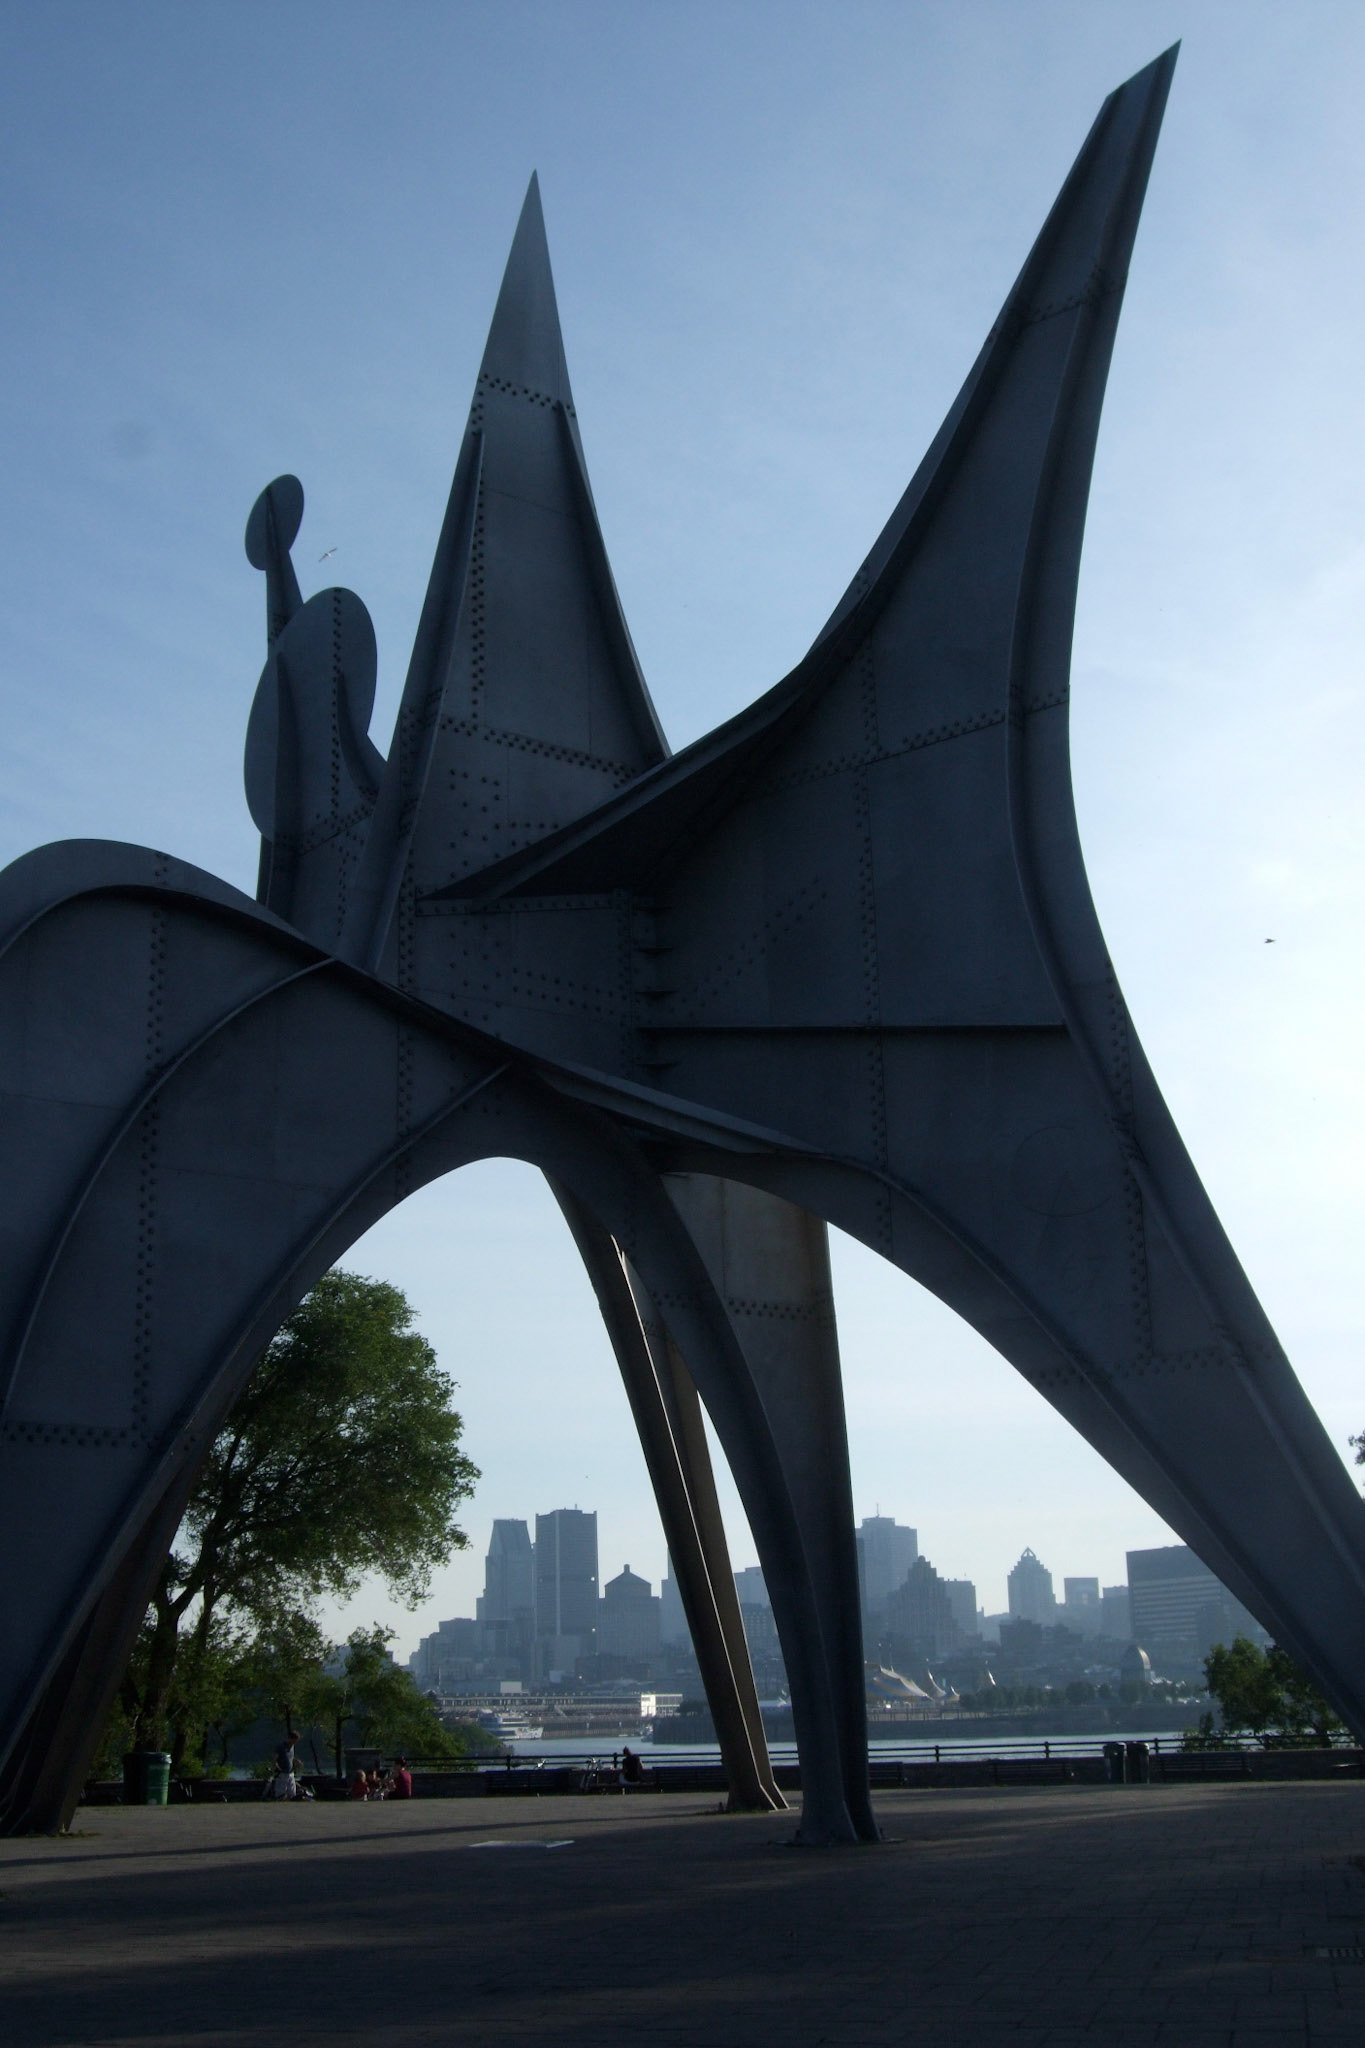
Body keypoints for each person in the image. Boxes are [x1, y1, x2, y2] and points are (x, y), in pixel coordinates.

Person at [270, 1730, 300, 1800]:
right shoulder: (281, 1747)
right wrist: (276, 1767)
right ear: (290, 1739)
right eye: (294, 1741)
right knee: (281, 1793)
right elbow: (274, 1758)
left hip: (290, 1772)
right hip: (282, 1773)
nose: (295, 1743)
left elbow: (290, 1757)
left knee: (292, 1793)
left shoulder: (292, 1747)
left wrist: (296, 1761)